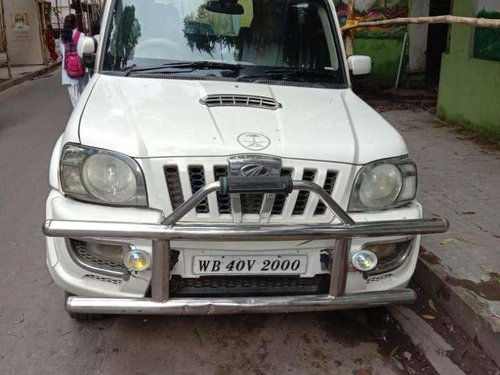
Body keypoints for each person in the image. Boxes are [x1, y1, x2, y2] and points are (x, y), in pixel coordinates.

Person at [61, 14, 87, 108]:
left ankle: (77, 112)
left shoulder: (63, 37)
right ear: (75, 23)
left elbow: (63, 54)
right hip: (80, 67)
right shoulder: (81, 35)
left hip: (68, 69)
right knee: (83, 91)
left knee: (74, 94)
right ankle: (83, 110)